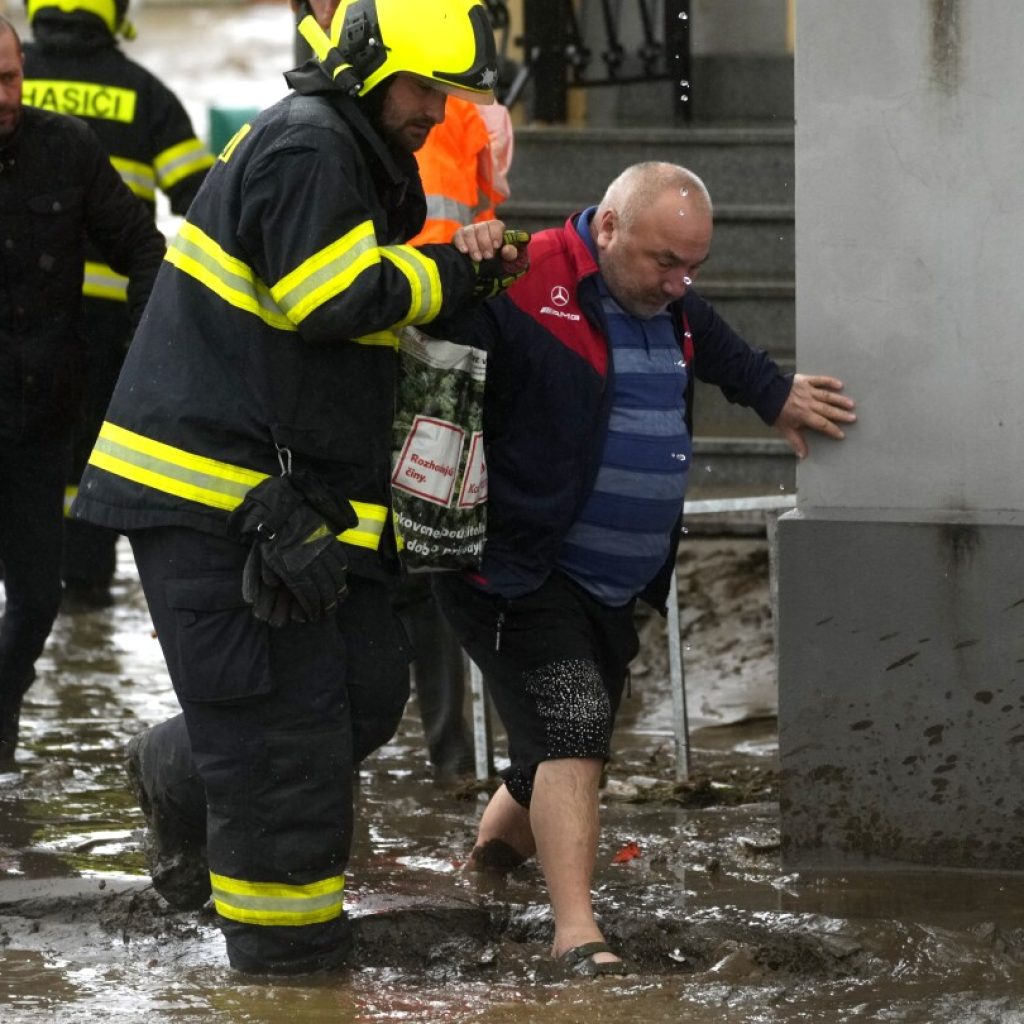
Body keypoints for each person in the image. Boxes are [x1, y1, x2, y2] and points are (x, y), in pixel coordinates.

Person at [71, 0, 527, 975]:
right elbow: (327, 301)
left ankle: (181, 764)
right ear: (367, 69)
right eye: (422, 88)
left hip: (293, 502)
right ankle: (287, 970)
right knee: (284, 753)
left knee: (361, 694)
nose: (435, 112)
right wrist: (445, 278)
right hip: (217, 504)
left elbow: (345, 312)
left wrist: (450, 268)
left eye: (448, 94)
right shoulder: (309, 147)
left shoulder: (354, 156)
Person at [433, 161, 858, 976]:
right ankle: (577, 937)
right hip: (516, 568)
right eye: (666, 261)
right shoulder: (525, 277)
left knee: (554, 750)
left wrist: (775, 396)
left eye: (693, 264)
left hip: (612, 583)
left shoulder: (669, 301)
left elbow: (719, 344)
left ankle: (484, 872)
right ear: (608, 229)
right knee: (573, 723)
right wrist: (463, 260)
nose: (679, 282)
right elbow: (420, 341)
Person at [0, 14, 164, 767]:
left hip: (41, 418)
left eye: (9, 78)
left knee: (39, 597)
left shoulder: (65, 147)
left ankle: (1, 713)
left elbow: (144, 248)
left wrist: (138, 352)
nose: (5, 95)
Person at [22, 0, 214, 609]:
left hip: (16, 312)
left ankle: (24, 583)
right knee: (87, 453)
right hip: (103, 322)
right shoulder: (144, 93)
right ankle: (84, 591)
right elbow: (206, 203)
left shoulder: (11, 77)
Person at [395, 92, 514, 782]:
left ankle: (449, 760)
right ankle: (452, 763)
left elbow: (485, 219)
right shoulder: (472, 109)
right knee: (426, 559)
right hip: (426, 337)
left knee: (423, 561)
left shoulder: (464, 111)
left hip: (419, 336)